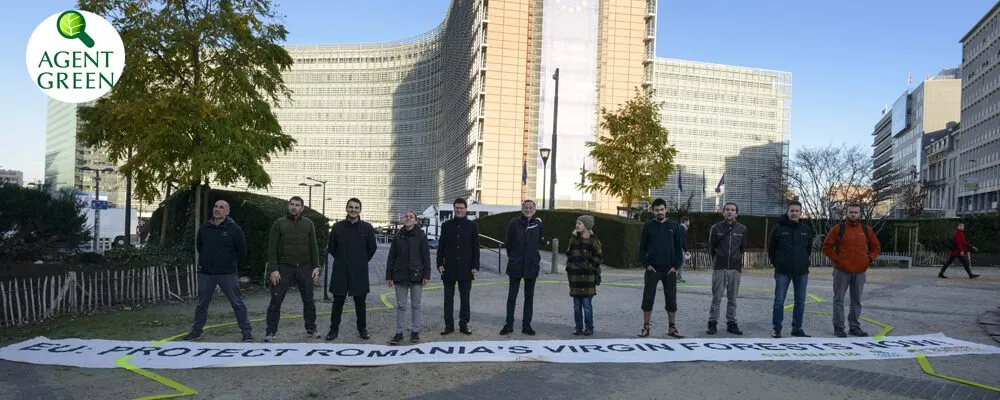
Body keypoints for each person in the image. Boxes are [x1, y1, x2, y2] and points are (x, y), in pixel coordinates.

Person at [182, 200, 252, 342]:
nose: (217, 209)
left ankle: (247, 333)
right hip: (206, 273)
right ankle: (196, 332)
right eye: (215, 206)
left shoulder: (234, 230)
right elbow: (199, 246)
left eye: (221, 207)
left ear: (227, 212)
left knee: (237, 303)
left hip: (227, 273)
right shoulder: (204, 228)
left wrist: (229, 263)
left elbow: (241, 250)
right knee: (202, 304)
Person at [263, 196, 321, 343]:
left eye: (297, 205)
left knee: (309, 300)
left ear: (302, 208)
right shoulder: (279, 223)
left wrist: (316, 266)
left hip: (304, 267)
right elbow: (272, 248)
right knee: (276, 299)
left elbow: (313, 246)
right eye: (292, 204)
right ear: (288, 206)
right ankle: (270, 331)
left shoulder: (308, 224)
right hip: (284, 267)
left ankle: (311, 328)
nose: (294, 207)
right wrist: (274, 269)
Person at [822, 204, 880, 338]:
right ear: (846, 213)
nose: (853, 214)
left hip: (859, 272)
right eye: (851, 212)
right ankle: (839, 326)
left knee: (856, 300)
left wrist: (868, 259)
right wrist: (837, 260)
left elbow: (876, 246)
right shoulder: (839, 228)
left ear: (860, 214)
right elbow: (826, 246)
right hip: (841, 271)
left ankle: (854, 327)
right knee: (839, 299)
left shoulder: (865, 229)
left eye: (856, 212)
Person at [326, 198, 377, 341]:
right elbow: (332, 247)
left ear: (360, 210)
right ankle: (333, 330)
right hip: (340, 270)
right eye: (351, 207)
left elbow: (372, 248)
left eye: (356, 207)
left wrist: (360, 261)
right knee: (337, 303)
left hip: (359, 271)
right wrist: (342, 259)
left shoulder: (367, 228)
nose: (353, 210)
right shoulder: (337, 227)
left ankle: (362, 329)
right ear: (346, 208)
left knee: (360, 303)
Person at [638, 198, 685, 338]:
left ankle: (672, 328)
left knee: (671, 299)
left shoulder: (674, 226)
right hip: (652, 270)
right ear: (653, 211)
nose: (659, 212)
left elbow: (679, 249)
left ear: (666, 210)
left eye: (662, 209)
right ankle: (646, 327)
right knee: (648, 299)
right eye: (657, 210)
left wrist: (675, 267)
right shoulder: (648, 226)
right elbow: (642, 249)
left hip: (669, 270)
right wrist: (647, 265)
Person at [767, 201, 813, 338]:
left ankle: (797, 328)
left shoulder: (806, 229)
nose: (794, 213)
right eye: (792, 211)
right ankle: (777, 328)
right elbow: (771, 249)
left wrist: (803, 262)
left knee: (800, 301)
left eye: (797, 211)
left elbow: (808, 249)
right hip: (782, 271)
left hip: (801, 272)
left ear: (801, 213)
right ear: (788, 212)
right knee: (779, 301)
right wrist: (778, 264)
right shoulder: (778, 228)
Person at [386, 211, 431, 345]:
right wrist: (389, 276)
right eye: (406, 216)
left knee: (416, 305)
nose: (408, 218)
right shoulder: (398, 236)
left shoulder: (421, 236)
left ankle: (415, 332)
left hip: (417, 275)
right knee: (401, 306)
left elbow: (426, 256)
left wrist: (426, 275)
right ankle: (399, 333)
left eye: (411, 217)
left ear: (416, 221)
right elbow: (391, 257)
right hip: (400, 275)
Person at [437, 198, 480, 335]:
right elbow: (441, 246)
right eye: (457, 208)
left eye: (461, 208)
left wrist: (475, 265)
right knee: (448, 299)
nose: (459, 210)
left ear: (466, 209)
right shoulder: (446, 225)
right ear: (454, 209)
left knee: (465, 298)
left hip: (466, 268)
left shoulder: (472, 226)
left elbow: (476, 247)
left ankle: (464, 324)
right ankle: (448, 325)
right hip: (449, 267)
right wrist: (439, 263)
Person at [501, 199, 543, 336]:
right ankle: (509, 325)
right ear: (522, 208)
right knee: (511, 297)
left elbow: (538, 243)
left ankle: (527, 326)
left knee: (529, 298)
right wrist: (514, 257)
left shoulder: (538, 224)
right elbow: (508, 243)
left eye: (531, 207)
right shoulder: (514, 223)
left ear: (534, 210)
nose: (528, 210)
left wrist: (533, 258)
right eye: (526, 207)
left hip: (531, 266)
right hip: (516, 265)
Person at [707, 202, 747, 336]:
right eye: (727, 209)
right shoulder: (715, 228)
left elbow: (742, 248)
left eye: (733, 210)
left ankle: (731, 323)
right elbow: (711, 247)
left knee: (733, 298)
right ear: (723, 212)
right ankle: (712, 322)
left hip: (735, 268)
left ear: (737, 213)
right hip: (720, 268)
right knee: (716, 297)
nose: (730, 212)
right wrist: (718, 259)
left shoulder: (742, 229)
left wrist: (736, 260)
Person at [565, 215, 603, 336]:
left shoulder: (594, 240)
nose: (577, 225)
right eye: (577, 223)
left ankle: (589, 327)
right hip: (575, 278)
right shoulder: (573, 239)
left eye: (580, 223)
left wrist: (590, 267)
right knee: (577, 305)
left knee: (587, 305)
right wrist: (570, 268)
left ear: (586, 226)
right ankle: (578, 327)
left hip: (588, 278)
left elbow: (598, 257)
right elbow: (569, 254)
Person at [678, 216, 691, 283]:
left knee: (680, 262)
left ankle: (677, 276)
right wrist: (686, 250)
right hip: (679, 249)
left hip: (678, 248)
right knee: (681, 262)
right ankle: (678, 277)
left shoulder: (679, 228)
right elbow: (682, 240)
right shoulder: (682, 228)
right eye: (688, 222)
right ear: (685, 222)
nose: (689, 223)